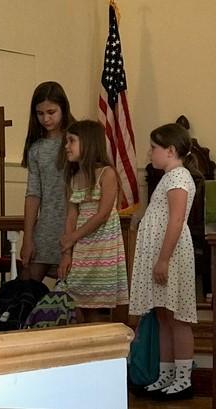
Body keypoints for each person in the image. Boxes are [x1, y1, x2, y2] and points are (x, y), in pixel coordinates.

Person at [129, 123, 201, 400]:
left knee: (177, 317)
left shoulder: (179, 177)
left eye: (153, 148)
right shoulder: (169, 177)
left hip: (170, 256)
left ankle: (183, 379)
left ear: (170, 150)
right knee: (162, 316)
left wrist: (163, 259)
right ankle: (166, 373)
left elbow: (176, 220)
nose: (150, 153)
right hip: (161, 257)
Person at [57, 120, 128, 322]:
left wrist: (73, 237)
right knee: (75, 301)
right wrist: (67, 253)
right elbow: (71, 215)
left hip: (102, 247)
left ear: (88, 143)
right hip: (82, 247)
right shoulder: (73, 177)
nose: (66, 146)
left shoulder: (107, 173)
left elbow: (103, 214)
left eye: (71, 141)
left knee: (96, 306)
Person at [20, 81, 75, 281]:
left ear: (63, 108)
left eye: (51, 112)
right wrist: (28, 237)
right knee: (27, 282)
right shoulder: (36, 148)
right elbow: (33, 194)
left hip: (75, 225)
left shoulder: (75, 142)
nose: (46, 119)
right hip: (46, 226)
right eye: (40, 113)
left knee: (72, 289)